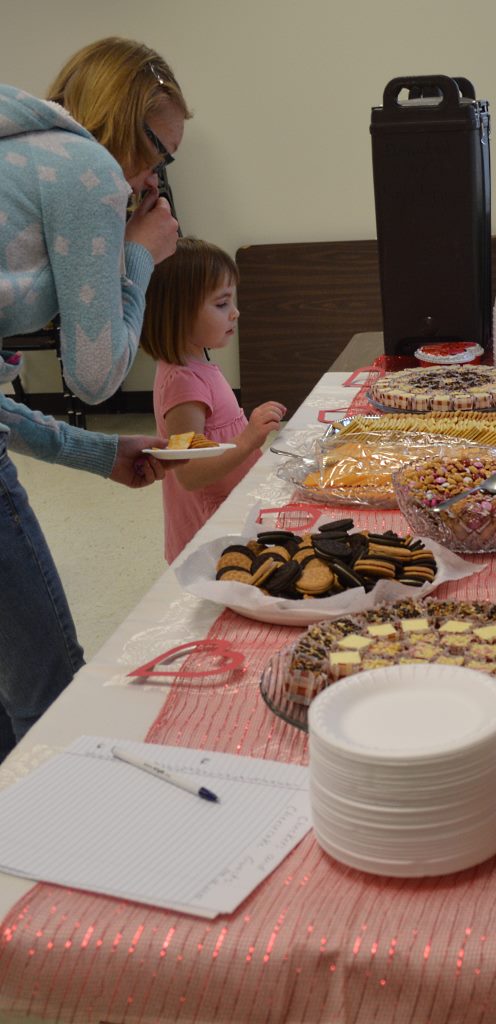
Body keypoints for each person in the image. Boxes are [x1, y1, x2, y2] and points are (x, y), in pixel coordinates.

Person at [0, 38, 190, 760]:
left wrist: (97, 452)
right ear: (125, 119)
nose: (152, 179)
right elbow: (97, 375)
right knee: (50, 690)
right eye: (159, 154)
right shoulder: (86, 169)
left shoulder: (22, 154)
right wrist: (141, 253)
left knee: (12, 685)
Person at [140, 238, 286, 563]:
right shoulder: (183, 384)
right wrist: (248, 439)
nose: (235, 312)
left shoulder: (196, 366)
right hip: (210, 533)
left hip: (229, 511)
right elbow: (189, 472)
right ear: (178, 314)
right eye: (221, 304)